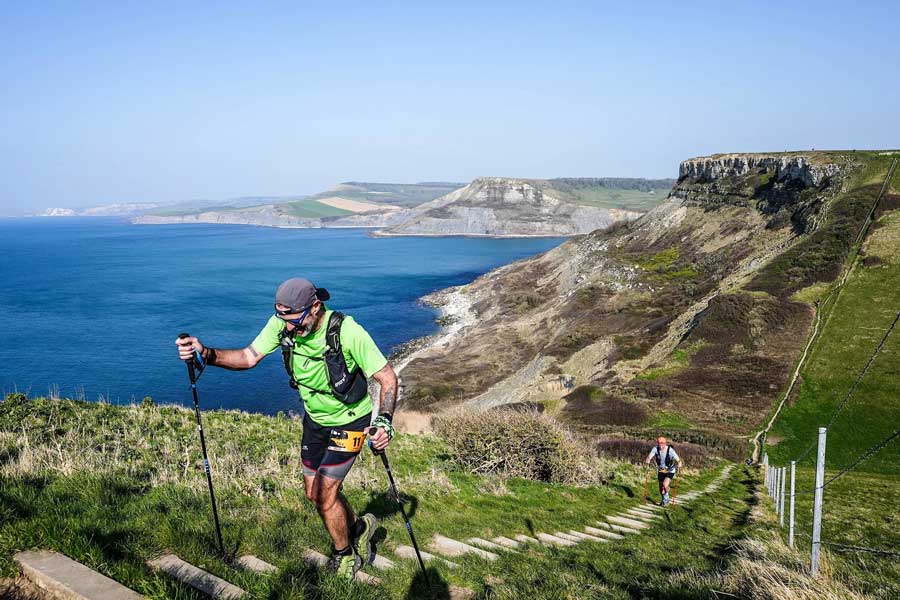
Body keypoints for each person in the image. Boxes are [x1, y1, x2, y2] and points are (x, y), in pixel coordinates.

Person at [176, 277, 399, 580]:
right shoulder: (282, 323)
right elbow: (248, 356)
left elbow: (387, 378)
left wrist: (383, 420)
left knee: (324, 493)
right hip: (314, 421)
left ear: (315, 306)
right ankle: (360, 527)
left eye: (294, 320)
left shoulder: (348, 332)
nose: (288, 327)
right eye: (283, 318)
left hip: (350, 421)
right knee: (313, 493)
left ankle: (345, 555)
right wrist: (207, 353)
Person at [645, 436, 680, 506]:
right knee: (661, 488)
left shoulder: (670, 450)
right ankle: (664, 500)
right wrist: (647, 461)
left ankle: (667, 493)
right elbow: (649, 457)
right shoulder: (655, 449)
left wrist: (679, 465)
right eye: (659, 443)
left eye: (662, 443)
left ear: (665, 443)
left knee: (665, 484)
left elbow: (678, 460)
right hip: (661, 469)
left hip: (670, 470)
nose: (660, 444)